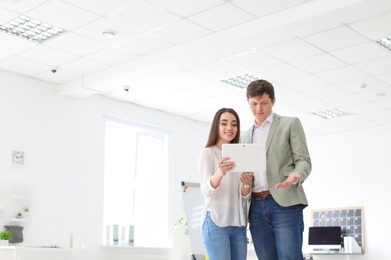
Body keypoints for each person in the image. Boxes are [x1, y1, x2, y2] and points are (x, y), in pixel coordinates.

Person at [241, 79, 312, 260]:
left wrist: (295, 176)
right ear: (248, 102)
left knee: (289, 256)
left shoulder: (290, 124)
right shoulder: (245, 136)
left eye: (264, 103)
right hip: (256, 206)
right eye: (254, 103)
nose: (259, 108)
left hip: (285, 203)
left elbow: (303, 160)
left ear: (273, 101)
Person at [199, 108, 254, 260]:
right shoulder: (208, 153)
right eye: (224, 123)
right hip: (216, 221)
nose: (229, 128)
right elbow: (205, 190)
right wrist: (220, 173)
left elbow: (243, 198)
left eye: (234, 124)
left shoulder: (240, 155)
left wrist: (247, 185)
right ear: (216, 126)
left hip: (238, 225)